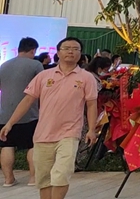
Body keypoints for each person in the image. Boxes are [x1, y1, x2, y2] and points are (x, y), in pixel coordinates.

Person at [0, 37, 98, 199]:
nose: (71, 51)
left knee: (62, 174)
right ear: (58, 52)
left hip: (69, 133)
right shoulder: (44, 76)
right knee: (44, 179)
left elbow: (92, 104)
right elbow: (27, 100)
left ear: (80, 54)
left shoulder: (86, 78)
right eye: (67, 48)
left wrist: (92, 130)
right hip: (43, 134)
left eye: (75, 49)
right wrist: (10, 123)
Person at [0, 37, 45, 187]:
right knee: (32, 145)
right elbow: (42, 87)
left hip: (4, 114)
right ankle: (33, 179)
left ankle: (8, 179)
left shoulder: (4, 65)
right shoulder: (36, 65)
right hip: (29, 114)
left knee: (7, 145)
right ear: (33, 50)